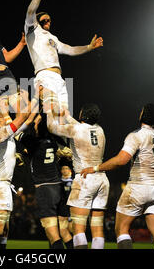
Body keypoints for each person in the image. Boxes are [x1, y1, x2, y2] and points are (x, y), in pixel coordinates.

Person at [81, 103, 154, 249]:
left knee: (121, 229)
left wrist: (96, 168)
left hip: (138, 186)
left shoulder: (136, 135)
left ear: (144, 115)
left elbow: (121, 160)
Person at [24, 0, 103, 114]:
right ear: (37, 21)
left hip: (59, 79)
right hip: (45, 76)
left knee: (64, 117)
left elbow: (70, 50)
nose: (48, 20)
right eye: (45, 19)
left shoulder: (53, 37)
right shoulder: (32, 31)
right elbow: (30, 11)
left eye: (50, 19)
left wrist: (89, 47)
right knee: (52, 113)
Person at [0, 92, 39, 249]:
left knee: (4, 231)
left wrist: (1, 105)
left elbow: (27, 118)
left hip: (3, 186)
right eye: (0, 120)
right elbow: (21, 118)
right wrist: (33, 96)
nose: (3, 119)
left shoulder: (6, 134)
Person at [48, 103, 109, 249]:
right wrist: (67, 116)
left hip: (85, 178)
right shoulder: (100, 130)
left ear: (83, 115)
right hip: (101, 179)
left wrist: (50, 110)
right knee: (97, 228)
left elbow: (51, 127)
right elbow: (82, 128)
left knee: (78, 228)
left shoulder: (76, 129)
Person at [17, 113, 72, 249]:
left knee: (54, 236)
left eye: (36, 123)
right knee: (64, 233)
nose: (34, 123)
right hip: (58, 188)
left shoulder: (33, 142)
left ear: (38, 127)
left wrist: (29, 119)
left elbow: (15, 132)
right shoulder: (53, 142)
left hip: (45, 190)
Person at [58, 163, 74, 246]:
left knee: (72, 231)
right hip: (61, 210)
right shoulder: (58, 182)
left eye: (66, 168)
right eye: (63, 168)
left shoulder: (74, 182)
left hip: (72, 209)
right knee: (60, 230)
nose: (64, 170)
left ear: (70, 170)